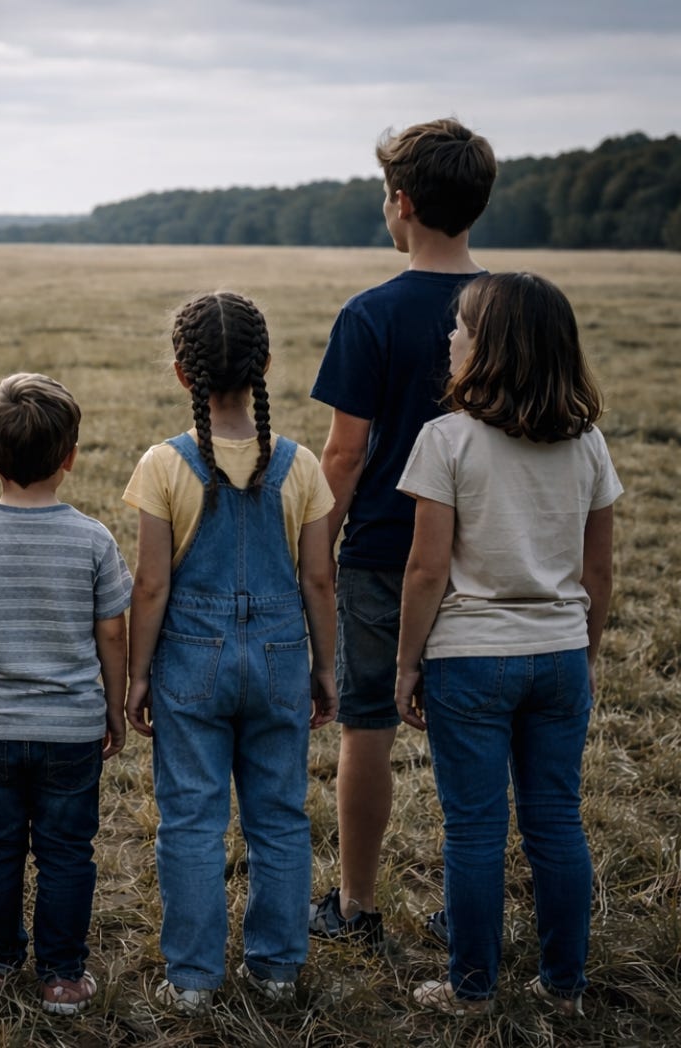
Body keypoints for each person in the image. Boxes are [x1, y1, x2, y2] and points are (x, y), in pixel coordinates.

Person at [395, 273, 618, 1017]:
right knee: (557, 820)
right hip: (558, 656)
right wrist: (582, 652)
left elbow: (426, 569)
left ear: (488, 347)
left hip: (470, 658)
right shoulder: (587, 443)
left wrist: (407, 662)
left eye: (459, 328)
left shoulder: (446, 440)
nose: (449, 339)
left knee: (475, 831)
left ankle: (472, 991)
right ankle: (563, 988)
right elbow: (599, 569)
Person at [308, 118, 497, 948]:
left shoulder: (369, 313)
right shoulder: (513, 308)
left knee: (367, 729)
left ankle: (354, 906)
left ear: (404, 204)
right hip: (487, 556)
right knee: (476, 733)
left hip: (385, 554)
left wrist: (311, 553)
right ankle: (469, 910)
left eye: (386, 194)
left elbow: (345, 457)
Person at [125, 292, 338, 1015]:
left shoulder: (163, 463)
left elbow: (151, 586)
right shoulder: (302, 465)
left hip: (190, 662)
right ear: (266, 365)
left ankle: (191, 980)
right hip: (280, 657)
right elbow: (317, 579)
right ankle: (277, 969)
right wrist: (324, 666)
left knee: (191, 819)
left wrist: (135, 676)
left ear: (182, 373)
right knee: (279, 816)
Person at [0, 373, 132, 1014]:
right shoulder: (93, 539)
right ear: (70, 457)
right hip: (70, 728)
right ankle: (63, 975)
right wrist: (114, 708)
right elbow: (113, 633)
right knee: (68, 851)